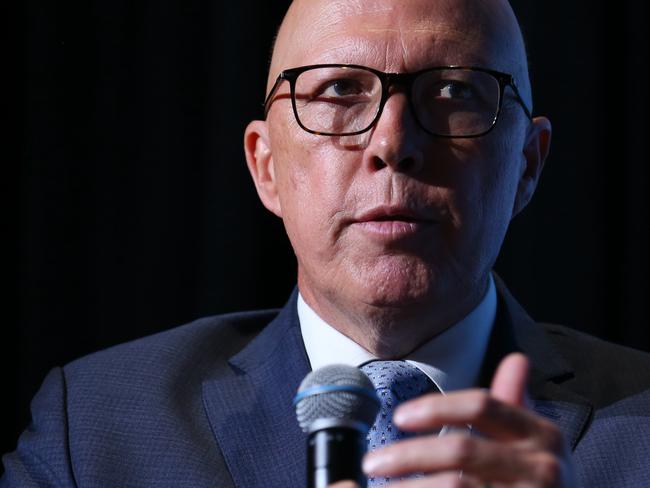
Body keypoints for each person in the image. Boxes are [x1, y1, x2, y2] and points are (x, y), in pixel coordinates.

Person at [3, 0, 650, 486]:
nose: (393, 144)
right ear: (266, 168)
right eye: (340, 90)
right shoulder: (93, 430)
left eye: (454, 92)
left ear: (529, 166)